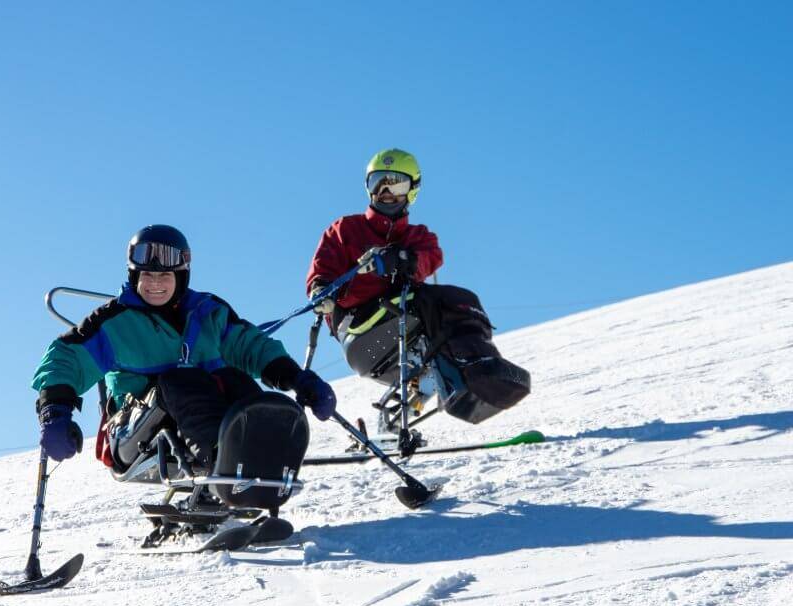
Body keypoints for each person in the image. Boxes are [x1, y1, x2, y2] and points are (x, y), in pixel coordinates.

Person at [33, 224, 337, 468]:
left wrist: (298, 378)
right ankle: (223, 457)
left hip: (201, 418)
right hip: (135, 432)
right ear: (133, 275)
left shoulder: (208, 312)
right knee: (179, 378)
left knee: (233, 378)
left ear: (180, 276)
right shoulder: (114, 321)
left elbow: (251, 346)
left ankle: (264, 453)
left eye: (164, 275)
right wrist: (54, 412)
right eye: (146, 276)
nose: (155, 284)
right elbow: (65, 357)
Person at [305, 149, 529, 423]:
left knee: (462, 300)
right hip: (358, 328)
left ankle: (474, 370)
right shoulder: (346, 229)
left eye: (396, 184)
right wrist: (322, 291)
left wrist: (402, 258)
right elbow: (323, 269)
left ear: (412, 190)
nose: (385, 191)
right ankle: (469, 369)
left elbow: (430, 257)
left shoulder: (418, 236)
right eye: (378, 183)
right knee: (431, 300)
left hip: (403, 322)